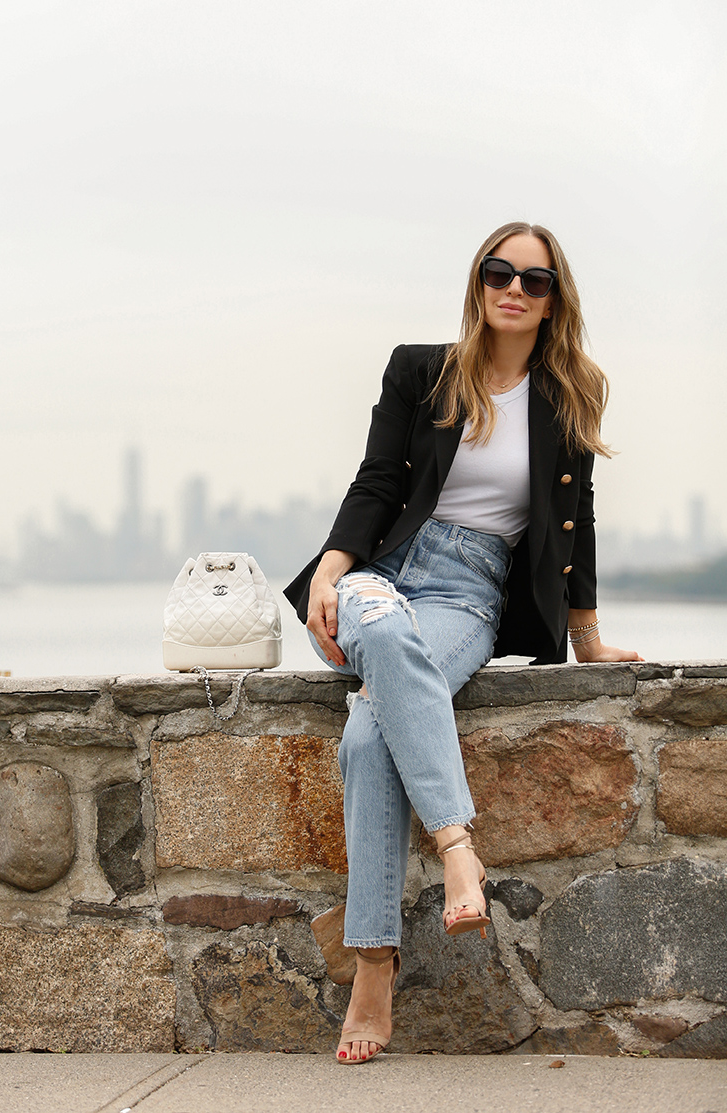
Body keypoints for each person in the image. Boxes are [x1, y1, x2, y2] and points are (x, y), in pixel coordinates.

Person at [284, 221, 641, 1064]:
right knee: (374, 618)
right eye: (498, 271)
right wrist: (334, 573)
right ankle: (458, 848)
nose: (513, 288)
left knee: (373, 729)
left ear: (555, 301)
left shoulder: (568, 395)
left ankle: (373, 967)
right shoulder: (422, 371)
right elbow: (376, 480)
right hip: (383, 575)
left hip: (465, 592)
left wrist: (586, 637)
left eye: (534, 279)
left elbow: (574, 521)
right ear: (478, 282)